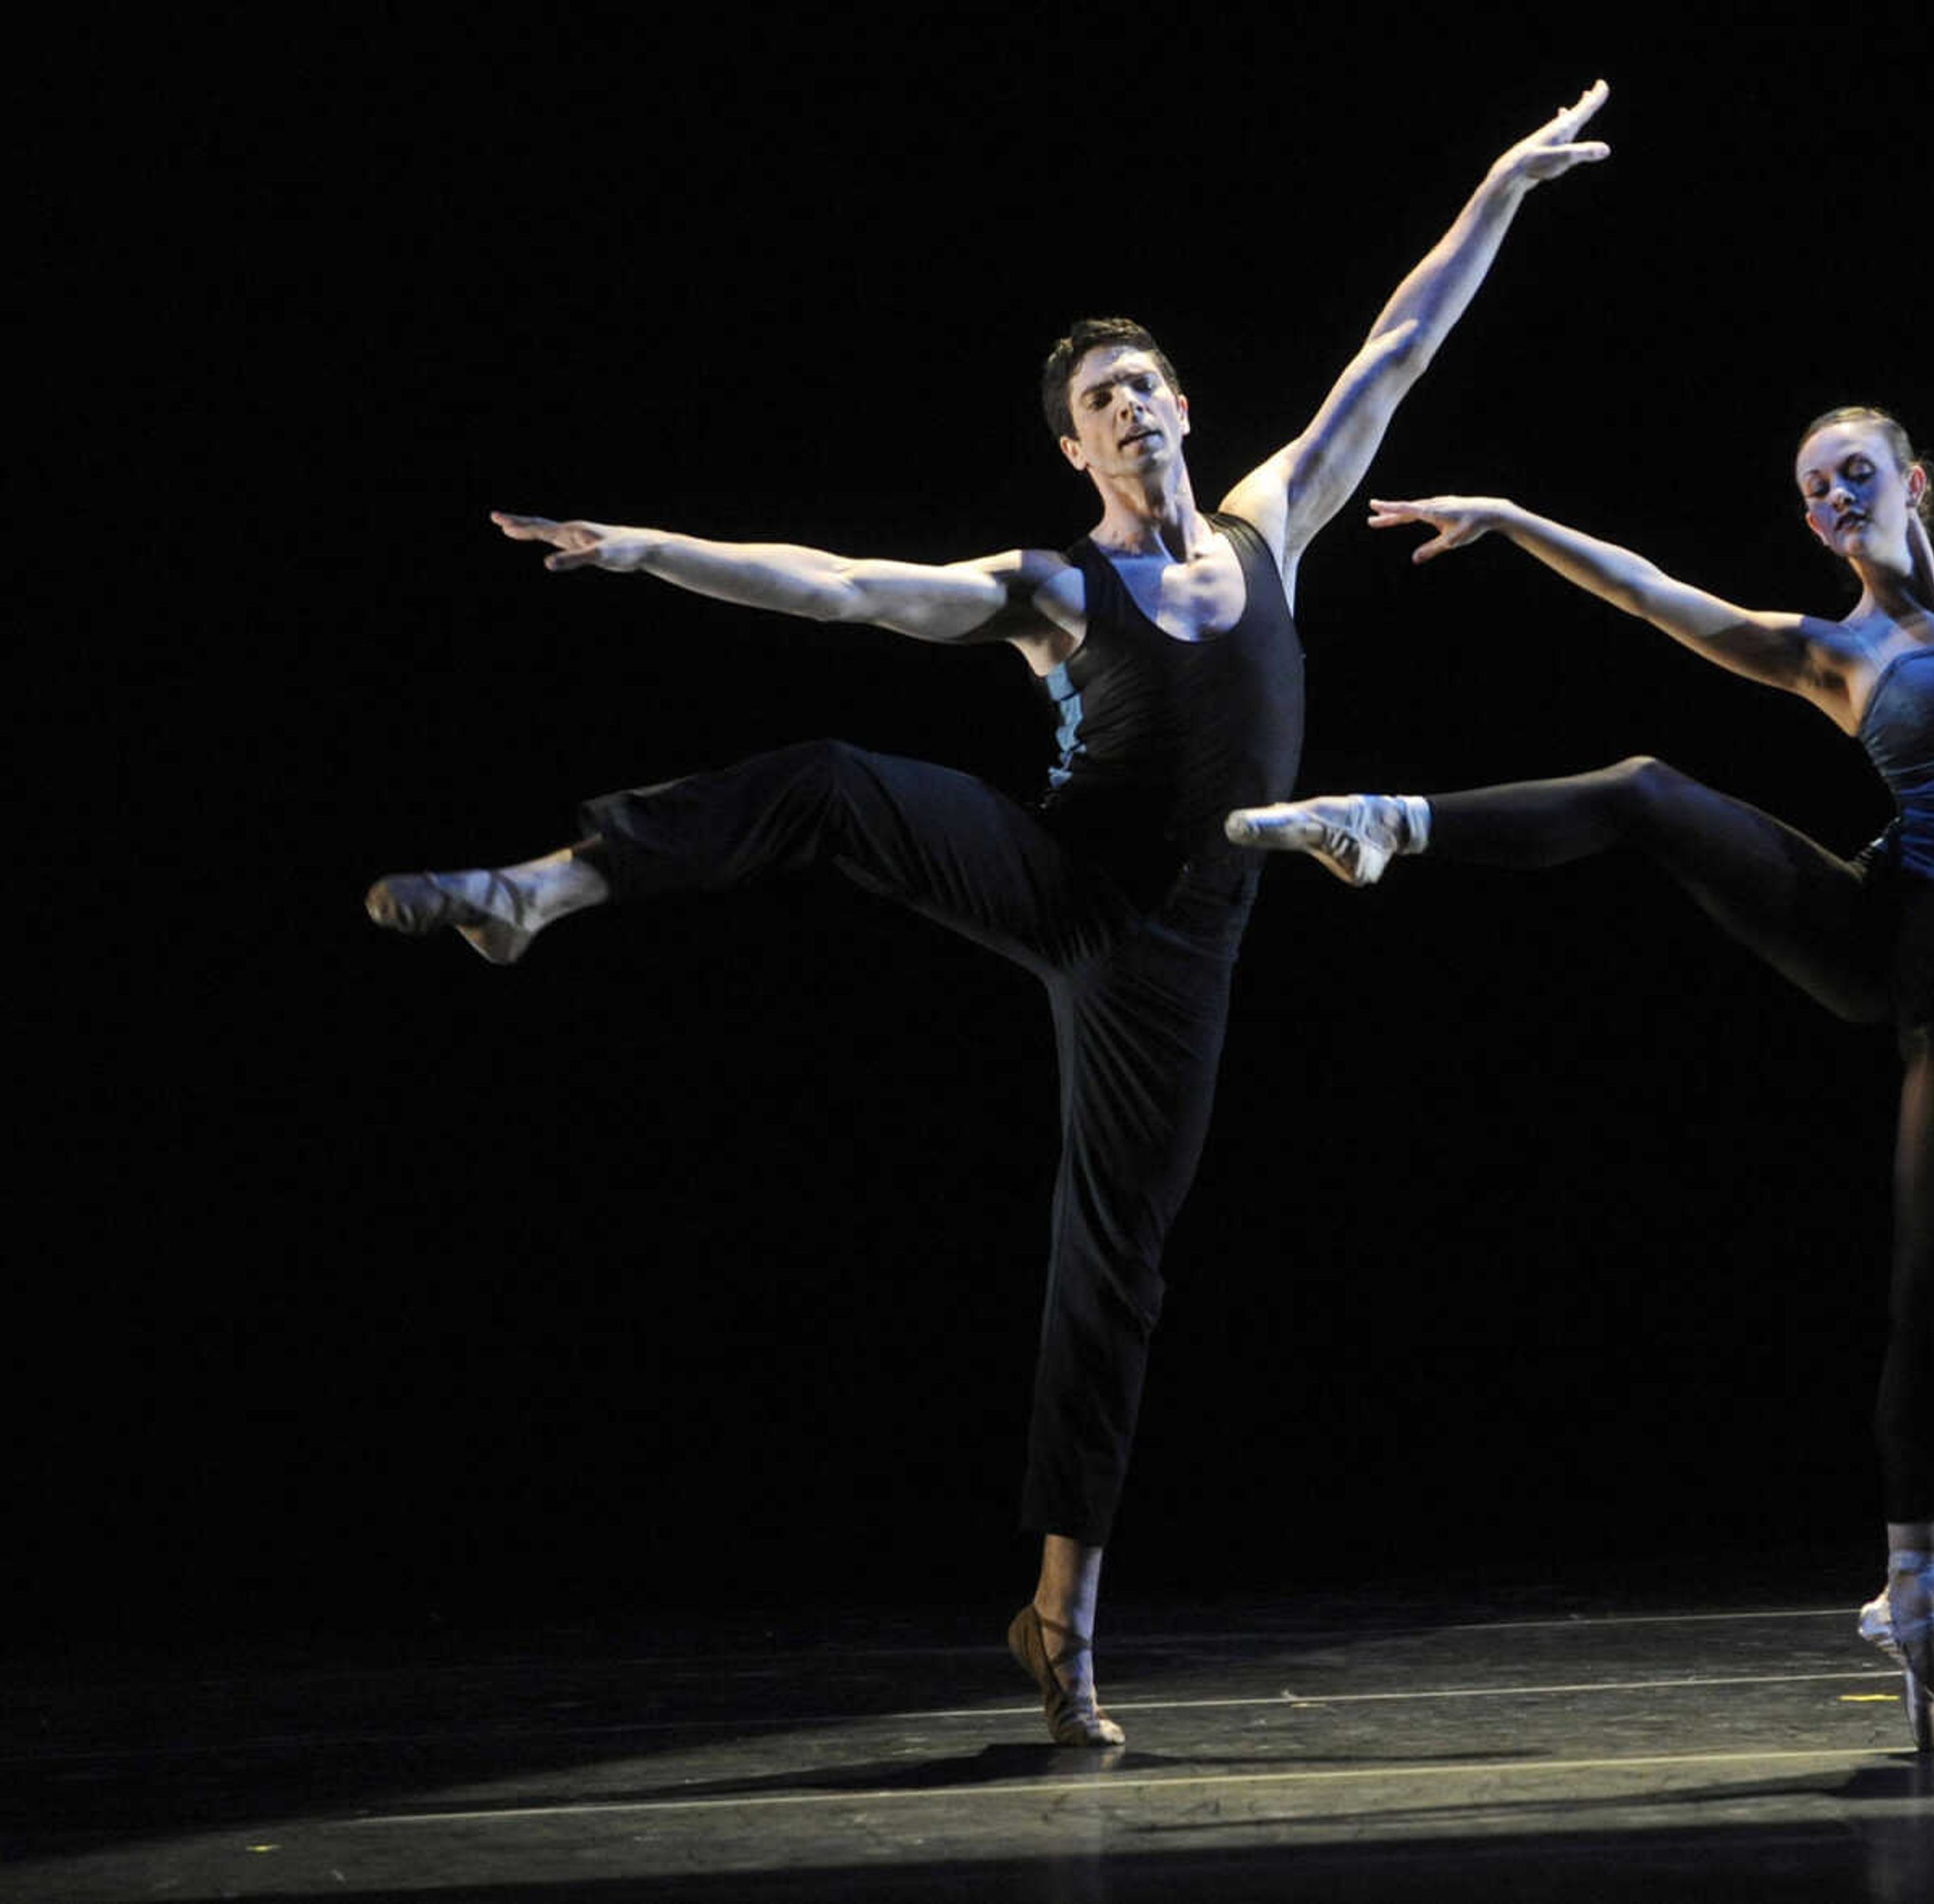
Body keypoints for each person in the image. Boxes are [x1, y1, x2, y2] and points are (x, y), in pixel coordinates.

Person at [363, 84, 1612, 1747]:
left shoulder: (1274, 525)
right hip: (1056, 879)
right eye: (1106, 401)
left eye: (1150, 383)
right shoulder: (1048, 587)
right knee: (824, 774)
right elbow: (843, 586)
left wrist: (1502, 186)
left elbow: (1396, 346)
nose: (1141, 411)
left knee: (1117, 1270)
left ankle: (1057, 1620)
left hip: (1181, 954)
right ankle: (541, 890)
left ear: (1182, 402)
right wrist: (647, 548)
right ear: (1077, 446)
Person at [1227, 228, 1934, 1751]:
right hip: (1899, 936)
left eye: (1853, 472)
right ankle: (1386, 825)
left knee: (1932, 1302)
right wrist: (1513, 512)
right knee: (1649, 790)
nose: (1832, 498)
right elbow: (1651, 595)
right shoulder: (1825, 650)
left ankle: (1917, 1602)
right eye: (1813, 490)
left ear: (1910, 481)